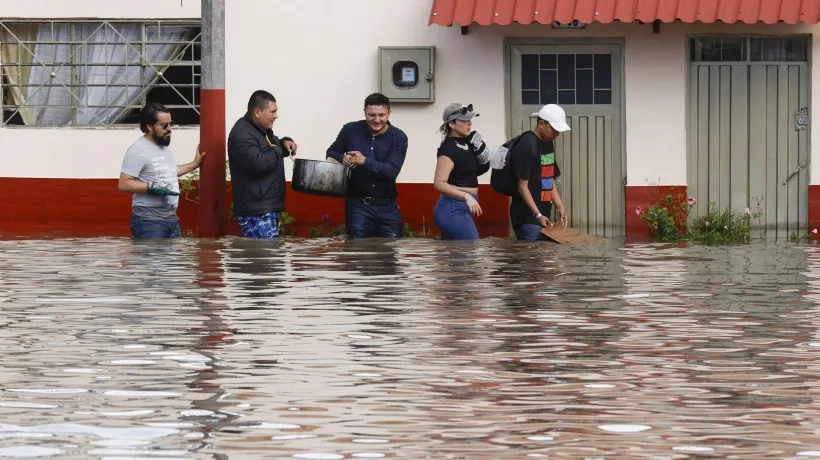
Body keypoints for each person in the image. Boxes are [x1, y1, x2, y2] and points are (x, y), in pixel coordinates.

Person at [326, 93, 409, 239]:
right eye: (371, 115)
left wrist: (365, 161)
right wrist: (342, 158)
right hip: (357, 204)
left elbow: (392, 171)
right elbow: (331, 152)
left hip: (387, 206)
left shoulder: (398, 137)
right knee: (357, 254)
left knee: (390, 255)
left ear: (389, 113)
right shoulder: (350, 130)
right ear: (364, 112)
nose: (377, 120)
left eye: (381, 115)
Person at [118, 102, 205, 239]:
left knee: (171, 260)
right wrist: (152, 187)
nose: (169, 129)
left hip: (171, 219)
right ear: (149, 126)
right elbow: (124, 184)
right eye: (164, 125)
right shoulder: (138, 150)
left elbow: (167, 172)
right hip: (149, 221)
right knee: (153, 260)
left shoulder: (163, 147)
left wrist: (194, 164)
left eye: (171, 123)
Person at [227, 90, 298, 239]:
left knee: (269, 258)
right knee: (263, 258)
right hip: (256, 211)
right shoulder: (242, 134)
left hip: (266, 206)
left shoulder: (260, 130)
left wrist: (284, 143)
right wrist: (278, 149)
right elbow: (259, 163)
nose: (276, 116)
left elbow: (272, 147)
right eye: (273, 112)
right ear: (257, 112)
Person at [508, 104, 571, 241]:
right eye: (554, 130)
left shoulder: (548, 144)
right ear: (542, 124)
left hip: (543, 217)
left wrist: (560, 206)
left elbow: (549, 178)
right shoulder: (526, 144)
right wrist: (538, 215)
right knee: (532, 260)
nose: (557, 134)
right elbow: (522, 186)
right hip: (528, 219)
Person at [432, 103, 491, 240]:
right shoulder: (448, 148)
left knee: (455, 257)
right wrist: (466, 196)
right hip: (452, 208)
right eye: (464, 121)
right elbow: (439, 183)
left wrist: (483, 153)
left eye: (470, 120)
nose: (469, 123)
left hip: (463, 206)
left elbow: (472, 172)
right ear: (451, 124)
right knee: (471, 251)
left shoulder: (468, 142)